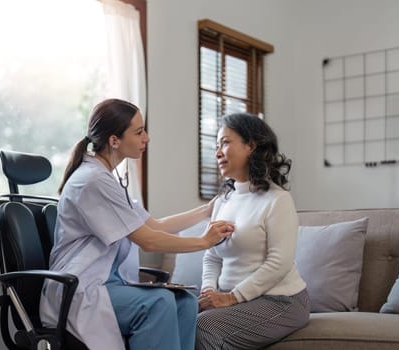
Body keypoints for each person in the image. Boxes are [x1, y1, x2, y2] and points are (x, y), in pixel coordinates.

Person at [39, 98, 234, 350]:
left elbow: (155, 226)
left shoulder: (106, 180)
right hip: (80, 289)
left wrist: (207, 210)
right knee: (159, 303)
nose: (147, 138)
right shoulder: (92, 181)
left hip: (106, 285)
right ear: (114, 140)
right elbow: (148, 240)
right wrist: (204, 241)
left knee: (185, 301)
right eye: (139, 132)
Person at [196, 113, 310, 350]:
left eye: (225, 143)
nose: (217, 153)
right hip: (236, 300)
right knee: (180, 317)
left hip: (281, 300)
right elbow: (212, 256)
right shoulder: (223, 202)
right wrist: (209, 292)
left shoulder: (277, 200)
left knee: (204, 327)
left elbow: (279, 263)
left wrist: (231, 297)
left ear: (251, 146)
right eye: (217, 146)